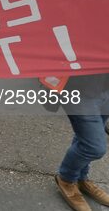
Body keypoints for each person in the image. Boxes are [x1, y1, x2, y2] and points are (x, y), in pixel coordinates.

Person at [55, 73, 109, 211]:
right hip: (79, 89)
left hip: (105, 86)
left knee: (86, 135)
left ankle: (80, 178)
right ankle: (66, 179)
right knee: (93, 147)